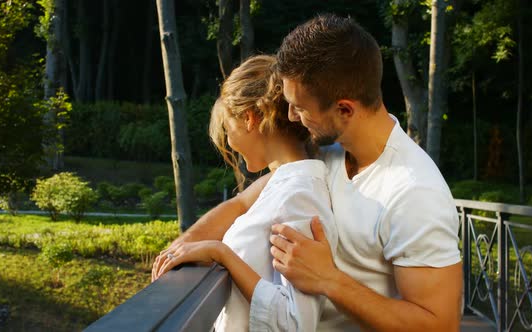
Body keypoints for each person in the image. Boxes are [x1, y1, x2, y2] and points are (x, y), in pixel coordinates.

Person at [155, 14, 462, 331]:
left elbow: (440, 325)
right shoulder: (325, 151)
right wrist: (179, 252)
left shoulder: (414, 192)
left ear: (344, 109)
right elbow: (244, 204)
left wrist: (331, 280)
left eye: (299, 108)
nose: (290, 116)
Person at [152, 55, 337, 331]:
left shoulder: (299, 194)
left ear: (249, 119)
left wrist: (221, 252)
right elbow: (238, 204)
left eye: (227, 129)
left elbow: (295, 323)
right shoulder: (283, 183)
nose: (229, 142)